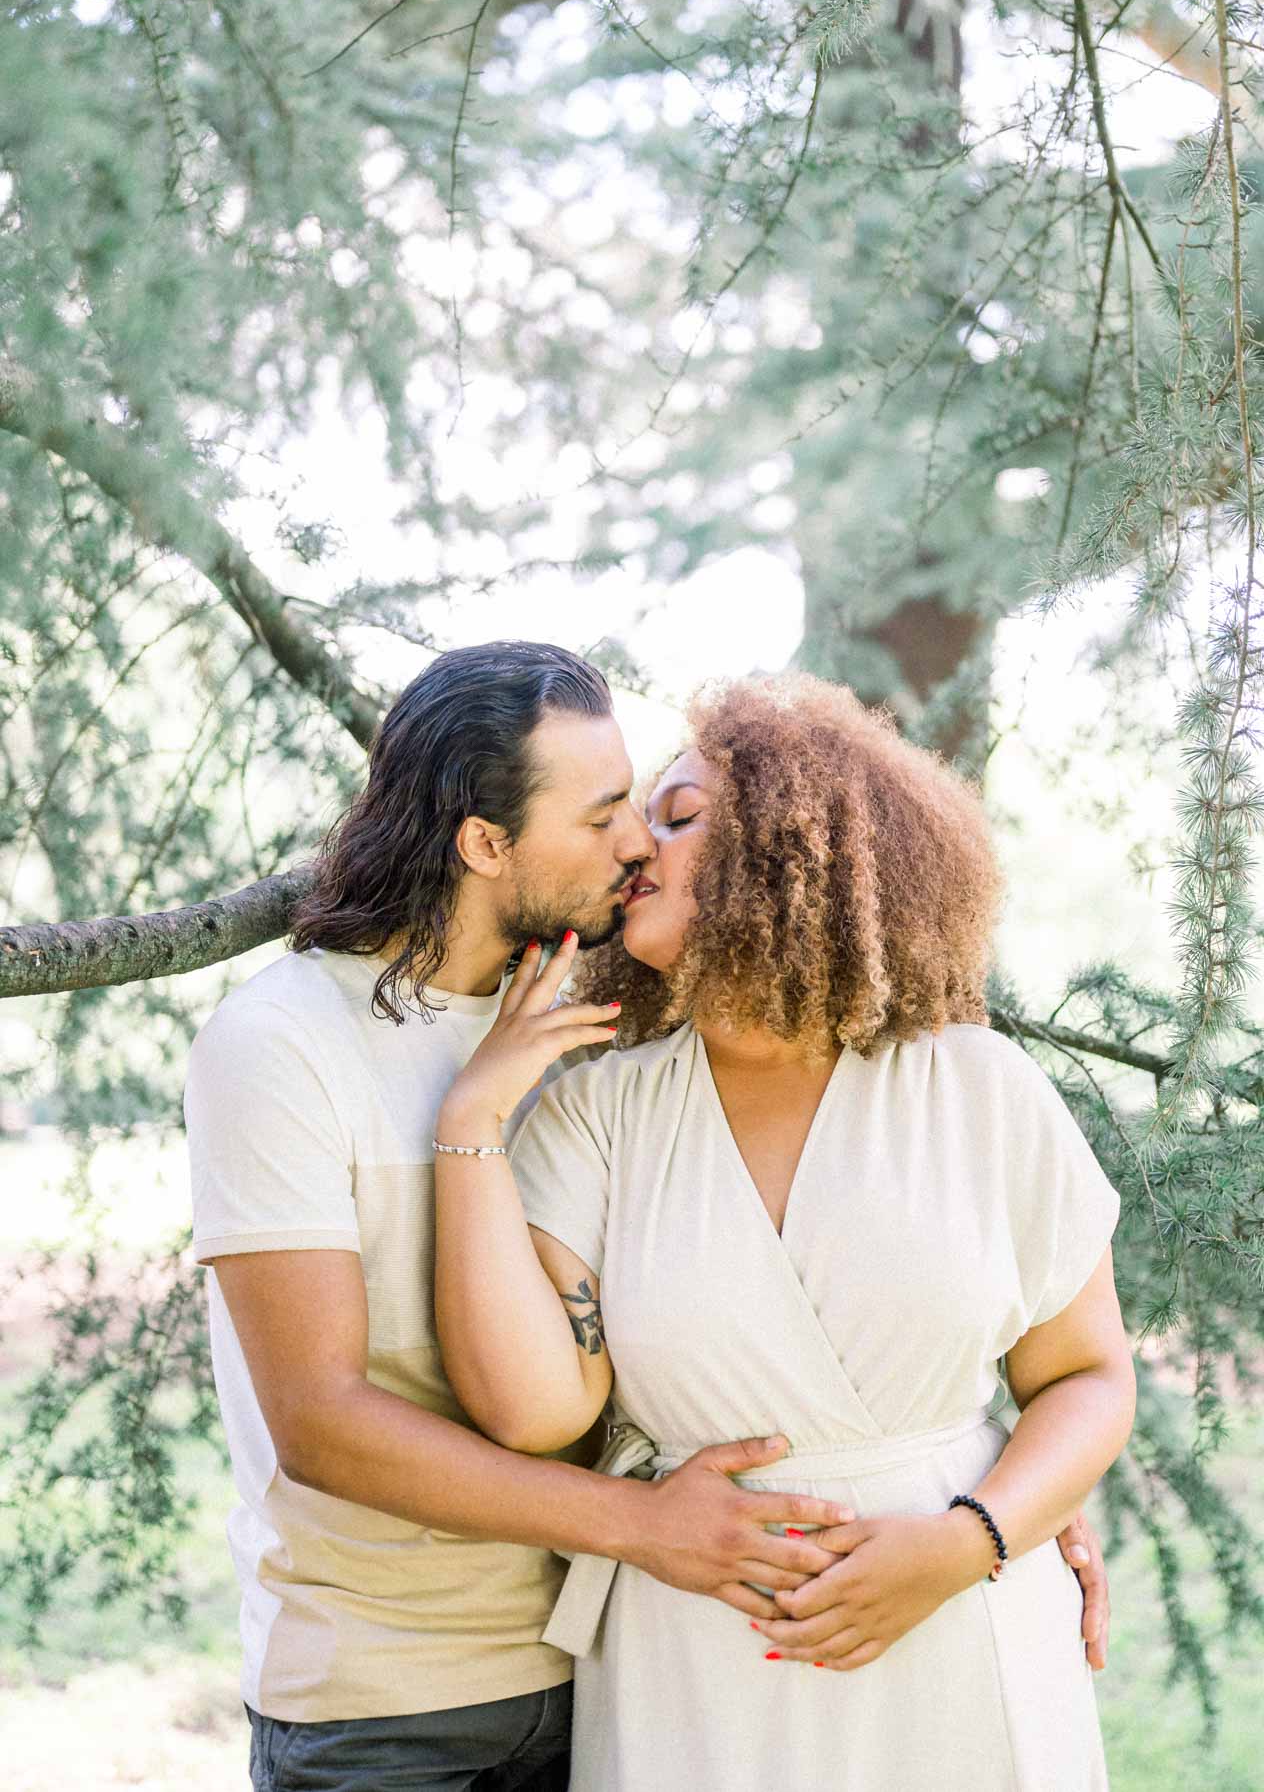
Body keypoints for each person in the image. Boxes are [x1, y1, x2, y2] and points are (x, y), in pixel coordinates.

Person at [432, 671, 1135, 1792]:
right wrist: (468, 1119)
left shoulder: (978, 1088)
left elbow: (1089, 1377)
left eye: (677, 815)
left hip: (959, 1623)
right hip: (698, 1657)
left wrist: (969, 1542)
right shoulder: (591, 1112)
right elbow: (530, 1408)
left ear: (789, 847)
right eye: (621, 820)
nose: (633, 849)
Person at [185, 643, 863, 1792]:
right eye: (601, 817)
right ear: (487, 844)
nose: (638, 843)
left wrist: (1002, 1511)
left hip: (618, 1664)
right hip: (385, 1711)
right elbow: (322, 1422)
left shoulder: (606, 1020)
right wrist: (640, 1524)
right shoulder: (280, 1045)